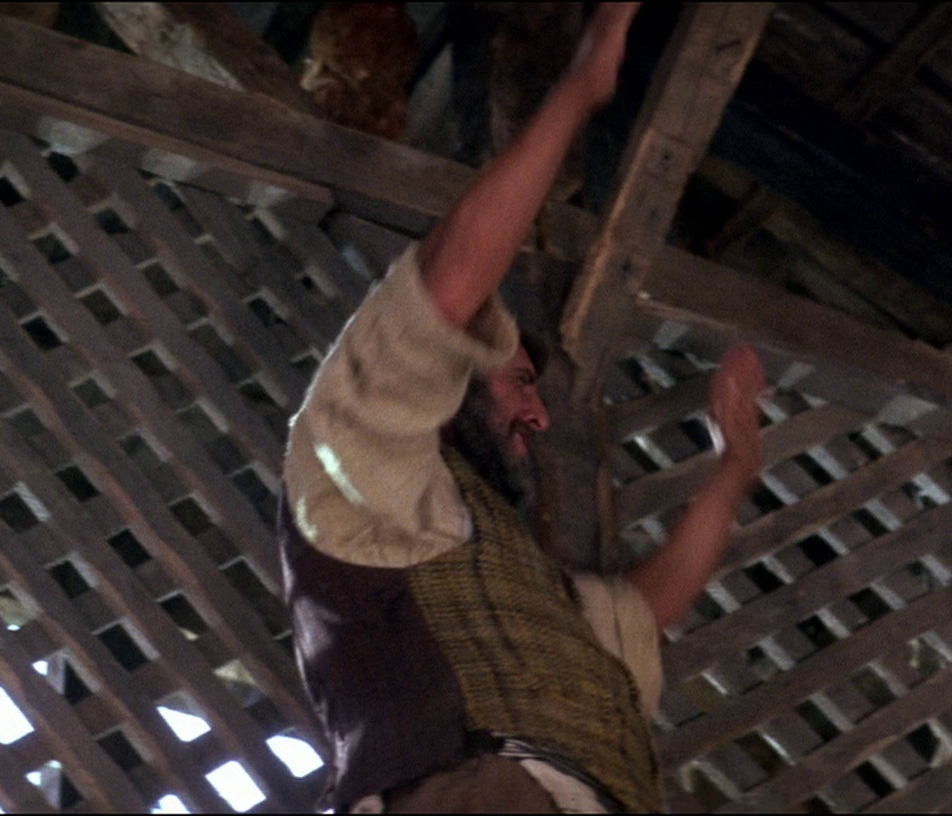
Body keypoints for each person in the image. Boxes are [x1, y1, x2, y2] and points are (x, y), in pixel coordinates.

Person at [279, 4, 766, 811]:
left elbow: (644, 609)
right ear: (457, 374)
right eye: (519, 380)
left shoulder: (515, 579)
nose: (537, 418)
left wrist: (735, 467)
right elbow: (443, 294)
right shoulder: (353, 476)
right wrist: (579, 88)